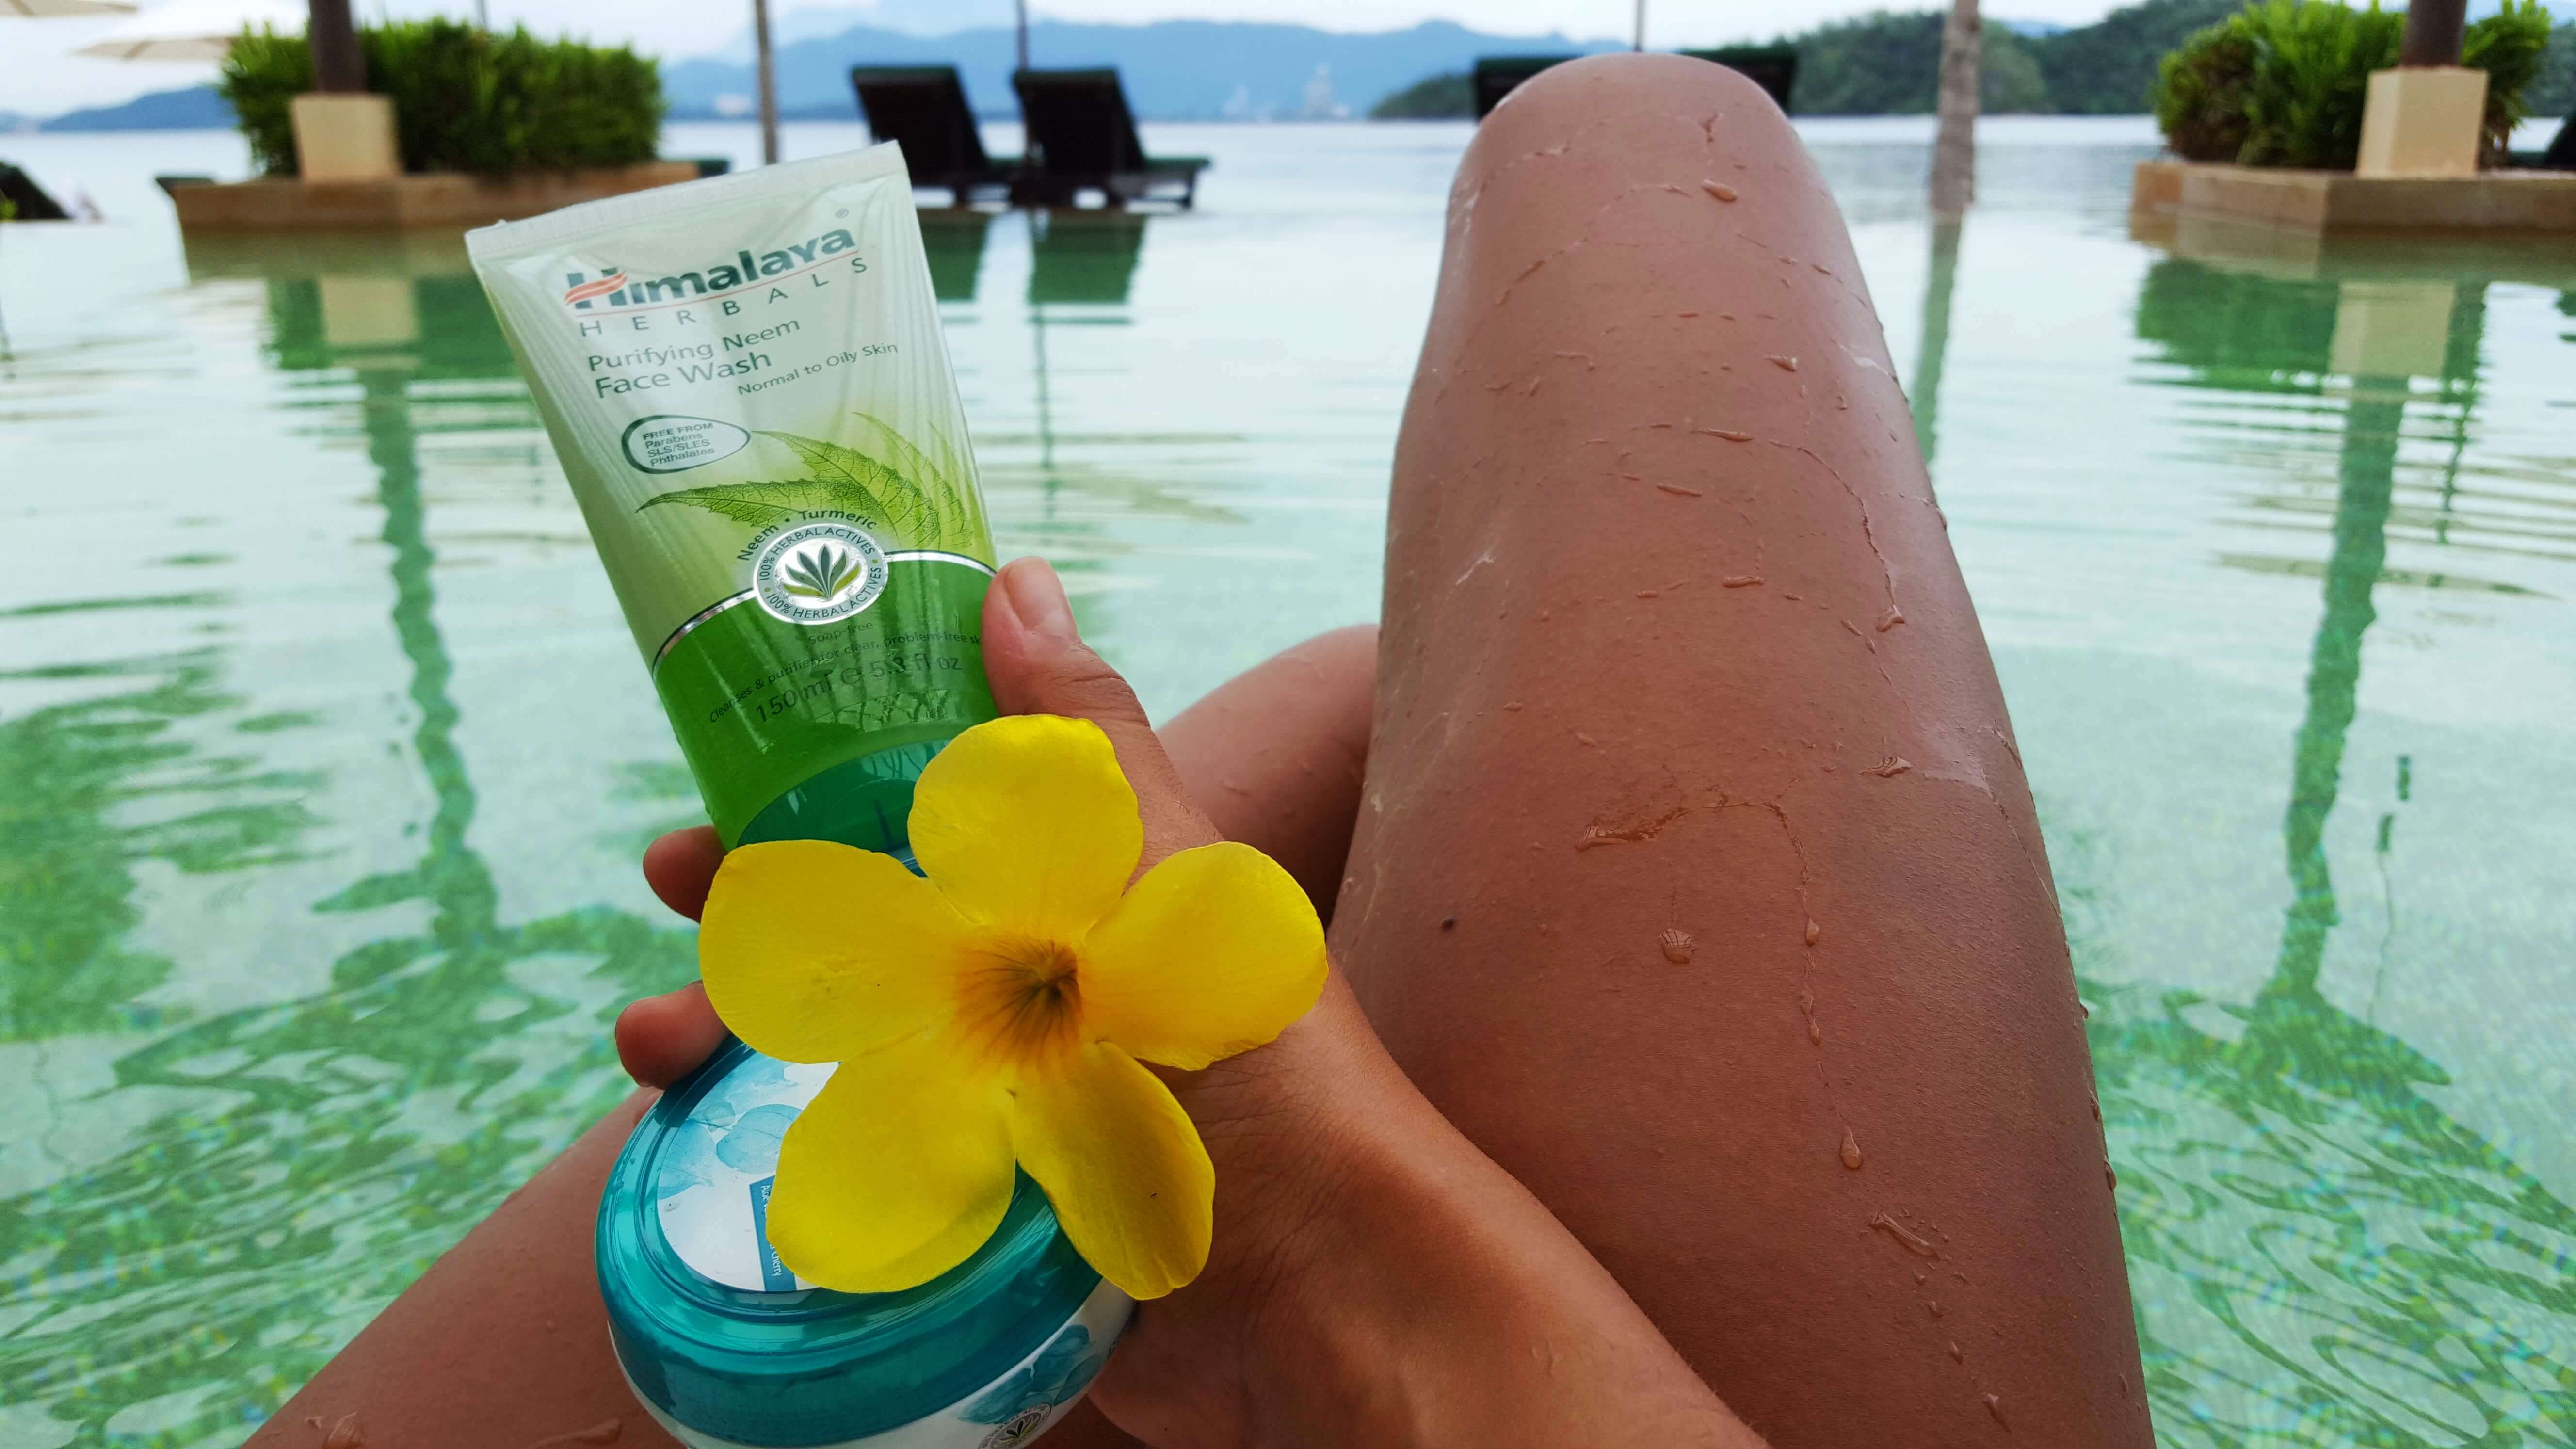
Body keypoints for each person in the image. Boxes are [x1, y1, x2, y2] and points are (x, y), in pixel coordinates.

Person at [250, 53, 2152, 1448]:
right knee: (1638, 128)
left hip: (1008, 1089)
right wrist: (1327, 1283)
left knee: (1364, 683)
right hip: (1167, 1160)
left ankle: (1414, 736)